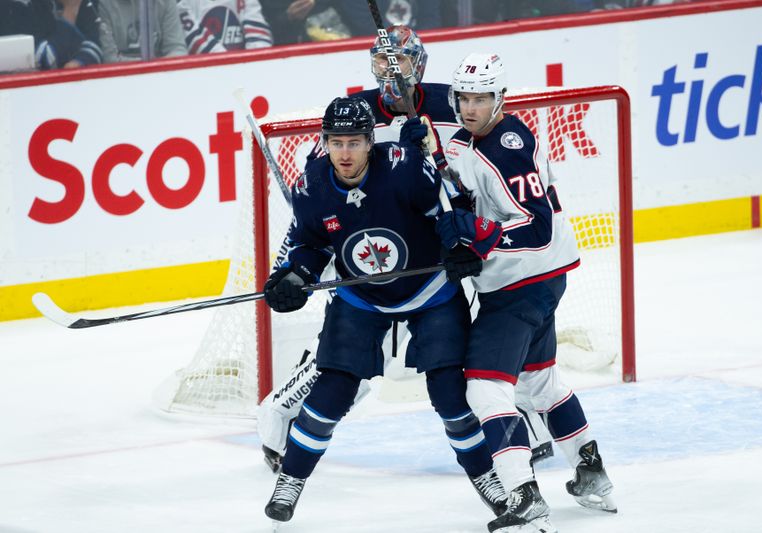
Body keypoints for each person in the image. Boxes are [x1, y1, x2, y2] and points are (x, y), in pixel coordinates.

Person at [256, 23, 554, 475]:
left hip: (444, 240)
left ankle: (519, 422)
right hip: (376, 246)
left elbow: (492, 151)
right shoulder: (357, 112)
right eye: (380, 61)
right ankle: (281, 410)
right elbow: (322, 181)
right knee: (352, 363)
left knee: (477, 346)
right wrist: (294, 264)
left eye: (401, 62)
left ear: (421, 64)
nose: (390, 71)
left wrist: (438, 165)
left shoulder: (451, 101)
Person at [261, 95, 506, 525]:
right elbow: (309, 244)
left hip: (430, 291)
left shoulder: (404, 168)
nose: (345, 153)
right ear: (325, 143)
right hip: (362, 298)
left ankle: (490, 481)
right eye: (336, 143)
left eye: (354, 143)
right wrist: (295, 275)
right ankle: (291, 481)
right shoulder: (312, 185)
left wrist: (461, 245)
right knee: (332, 391)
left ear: (370, 142)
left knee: (450, 394)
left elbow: (450, 210)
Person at [436, 52, 616, 532]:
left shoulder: (508, 147)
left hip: (523, 281)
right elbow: (458, 165)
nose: (470, 108)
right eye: (463, 98)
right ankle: (591, 470)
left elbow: (534, 228)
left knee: (484, 386)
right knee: (539, 382)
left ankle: (523, 491)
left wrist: (480, 238)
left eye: (481, 98)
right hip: (534, 279)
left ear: (501, 99)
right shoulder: (472, 135)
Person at [1, 0, 102, 69]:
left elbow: (94, 45)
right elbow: (45, 60)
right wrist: (70, 10)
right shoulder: (12, 7)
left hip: (77, 88)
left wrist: (79, 62)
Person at [98, 0, 187, 62]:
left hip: (161, 77)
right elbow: (110, 59)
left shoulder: (166, 2)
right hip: (119, 80)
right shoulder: (104, 4)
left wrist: (152, 69)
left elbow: (178, 50)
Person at [177, 0, 273, 54]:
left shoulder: (246, 1)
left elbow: (260, 40)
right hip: (204, 75)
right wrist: (227, 64)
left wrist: (250, 65)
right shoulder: (184, 4)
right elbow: (194, 39)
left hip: (245, 73)